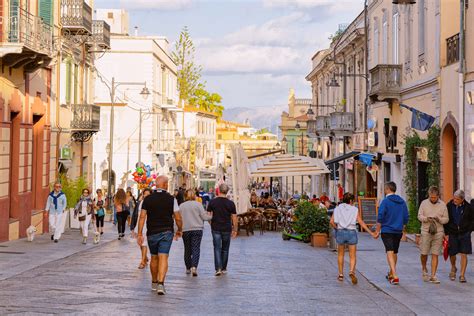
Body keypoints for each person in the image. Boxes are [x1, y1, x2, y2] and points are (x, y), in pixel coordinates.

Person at [137, 176, 183, 295]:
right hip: (167, 232)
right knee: (163, 257)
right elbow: (178, 217)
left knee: (154, 257)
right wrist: (179, 229)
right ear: (165, 185)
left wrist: (140, 233)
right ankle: (161, 284)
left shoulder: (147, 199)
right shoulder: (171, 199)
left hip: (152, 232)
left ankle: (154, 282)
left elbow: (142, 217)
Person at [330, 192, 376, 284]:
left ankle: (341, 274)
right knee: (352, 255)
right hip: (351, 232)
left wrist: (337, 228)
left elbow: (331, 222)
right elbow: (361, 222)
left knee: (340, 255)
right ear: (351, 200)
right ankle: (351, 271)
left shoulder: (337, 208)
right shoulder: (354, 209)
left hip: (341, 232)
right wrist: (371, 233)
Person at [374, 182, 409, 285]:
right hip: (398, 231)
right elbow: (406, 216)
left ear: (388, 189)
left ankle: (395, 275)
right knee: (394, 252)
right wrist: (402, 228)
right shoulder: (402, 201)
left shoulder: (385, 201)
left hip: (387, 230)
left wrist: (377, 231)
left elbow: (380, 217)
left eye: (385, 189)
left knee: (389, 251)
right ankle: (391, 273)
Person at [417, 186, 449, 283]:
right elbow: (419, 216)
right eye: (431, 197)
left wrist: (439, 219)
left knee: (435, 253)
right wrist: (426, 218)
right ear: (429, 195)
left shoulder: (443, 205)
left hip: (438, 232)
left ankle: (433, 275)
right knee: (424, 252)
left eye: (434, 197)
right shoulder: (424, 203)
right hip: (426, 231)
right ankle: (424, 268)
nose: (433, 199)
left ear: (438, 196)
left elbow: (446, 219)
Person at [207, 183, 238, 276]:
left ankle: (218, 268)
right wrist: (235, 229)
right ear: (227, 191)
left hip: (216, 227)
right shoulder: (231, 203)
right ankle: (224, 267)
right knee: (225, 248)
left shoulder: (213, 202)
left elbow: (209, 216)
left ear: (219, 191)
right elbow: (234, 218)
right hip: (226, 228)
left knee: (217, 248)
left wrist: (211, 223)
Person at [179, 189, 212, 277]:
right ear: (194, 195)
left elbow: (178, 219)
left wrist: (177, 230)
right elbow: (204, 217)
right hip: (197, 229)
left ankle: (187, 268)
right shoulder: (198, 205)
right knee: (196, 248)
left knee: (187, 249)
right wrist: (212, 216)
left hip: (185, 229)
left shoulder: (181, 206)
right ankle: (194, 267)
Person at [444, 190, 474, 283]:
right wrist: (446, 233)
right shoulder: (449, 206)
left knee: (464, 253)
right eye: (454, 198)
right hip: (453, 233)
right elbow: (446, 220)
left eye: (457, 199)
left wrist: (469, 230)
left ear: (462, 199)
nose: (455, 200)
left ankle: (462, 275)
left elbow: (473, 220)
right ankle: (453, 267)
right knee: (452, 253)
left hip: (464, 233)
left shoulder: (469, 207)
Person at [131, 188, 152, 269]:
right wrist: (132, 226)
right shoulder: (140, 203)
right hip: (138, 225)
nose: (146, 195)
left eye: (148, 194)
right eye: (145, 194)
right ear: (143, 194)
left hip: (147, 225)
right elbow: (135, 214)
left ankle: (142, 262)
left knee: (144, 243)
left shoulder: (152, 203)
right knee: (140, 243)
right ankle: (145, 257)